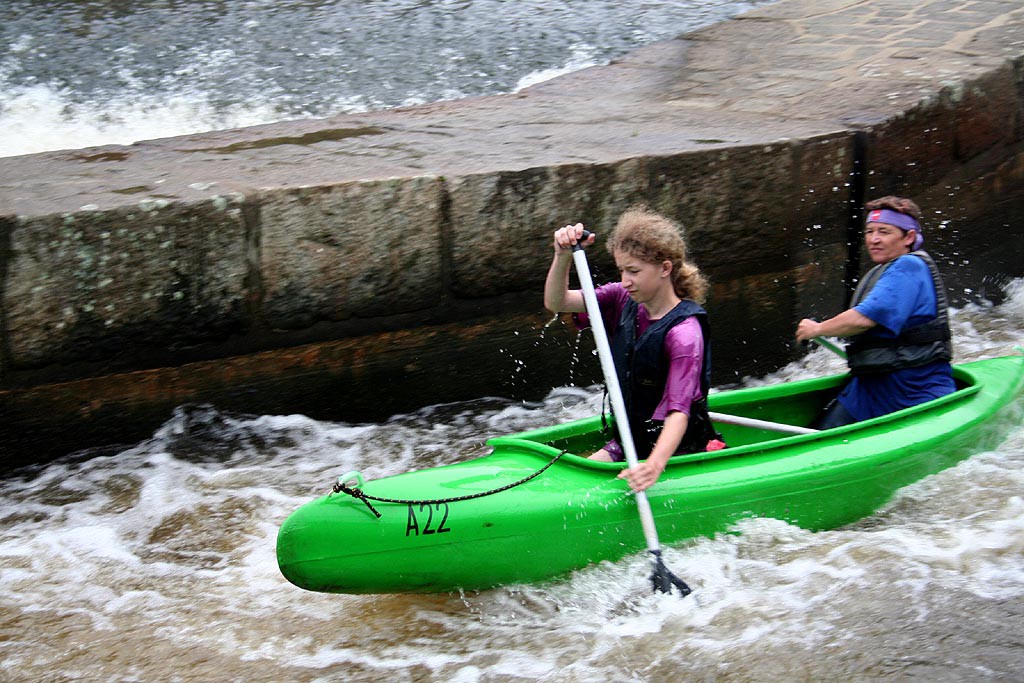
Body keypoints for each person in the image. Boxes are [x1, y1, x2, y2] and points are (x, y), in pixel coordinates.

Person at [544, 206, 720, 493]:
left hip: (681, 453)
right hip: (629, 443)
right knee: (564, 487)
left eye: (634, 271)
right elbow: (557, 302)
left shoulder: (685, 333)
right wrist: (561, 256)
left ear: (665, 268)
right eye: (622, 270)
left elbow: (678, 411)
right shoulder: (621, 299)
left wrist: (653, 465)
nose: (626, 280)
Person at [795, 195, 956, 428]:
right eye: (870, 232)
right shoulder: (886, 270)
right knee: (814, 438)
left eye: (884, 231)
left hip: (913, 391)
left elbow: (865, 318)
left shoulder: (909, 266)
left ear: (909, 237)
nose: (874, 239)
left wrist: (818, 328)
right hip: (868, 390)